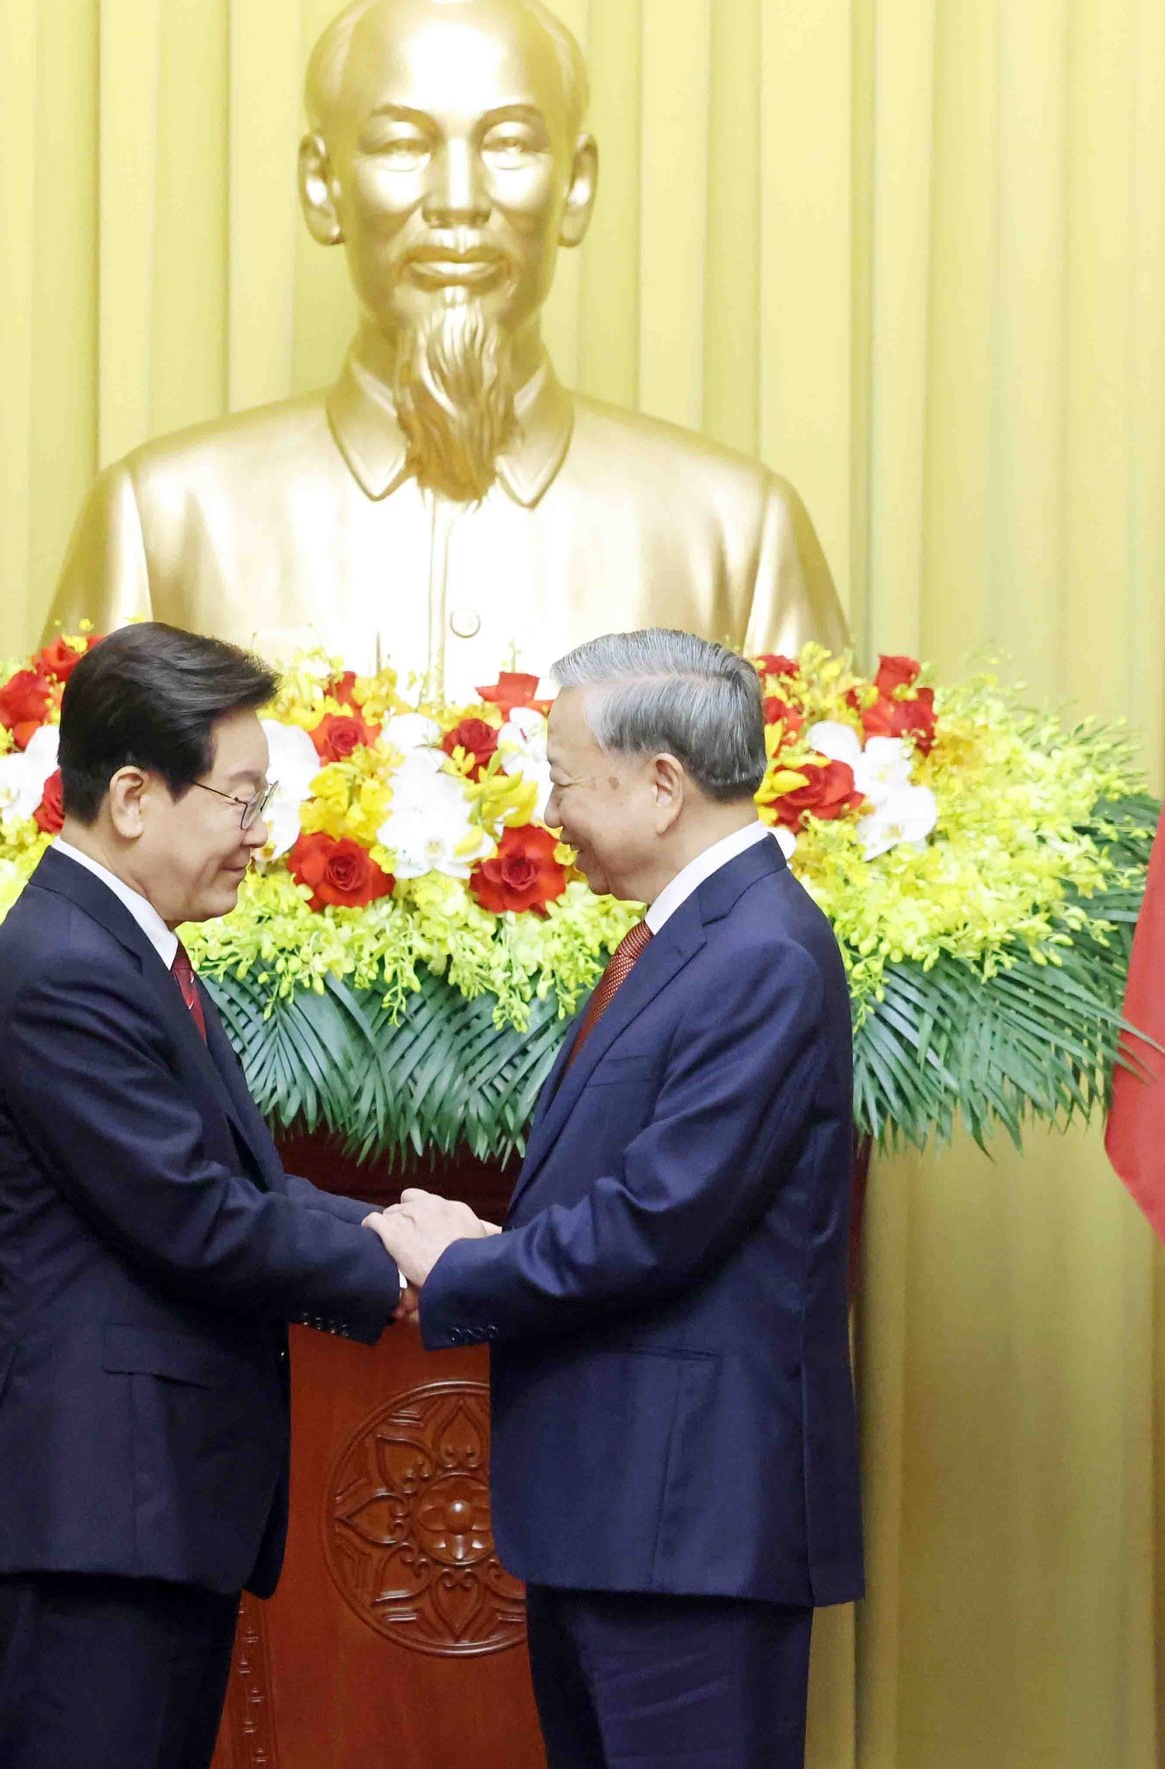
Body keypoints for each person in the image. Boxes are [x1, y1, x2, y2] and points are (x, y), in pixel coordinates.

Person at [48, 0, 847, 700]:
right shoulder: (164, 522)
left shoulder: (737, 534)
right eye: (402, 144)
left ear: (576, 187)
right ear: (322, 186)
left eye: (510, 143)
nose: (458, 199)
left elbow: (817, 801)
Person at [367, 629, 864, 1769]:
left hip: (688, 1528)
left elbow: (657, 1219)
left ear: (661, 784)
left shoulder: (760, 953)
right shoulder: (693, 936)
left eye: (564, 781)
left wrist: (464, 1266)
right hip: (628, 1519)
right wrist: (495, 1243)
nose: (550, 814)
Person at [0, 622, 408, 1769]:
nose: (260, 834)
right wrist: (403, 1263)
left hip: (136, 1522)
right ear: (134, 797)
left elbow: (235, 1186)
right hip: (87, 1529)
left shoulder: (123, 951)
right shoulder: (66, 969)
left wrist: (393, 1225)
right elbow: (194, 1220)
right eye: (241, 800)